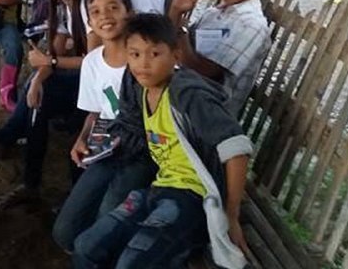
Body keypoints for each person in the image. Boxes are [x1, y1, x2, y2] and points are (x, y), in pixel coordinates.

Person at [72, 14, 252, 269]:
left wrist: (231, 216)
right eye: (135, 54)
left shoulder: (186, 93)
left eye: (154, 54)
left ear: (175, 56)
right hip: (160, 189)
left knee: (130, 264)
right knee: (85, 246)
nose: (143, 64)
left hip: (193, 200)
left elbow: (236, 146)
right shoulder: (142, 90)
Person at [52, 0, 156, 253]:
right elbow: (95, 111)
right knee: (64, 233)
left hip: (144, 148)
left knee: (104, 225)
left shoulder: (146, 59)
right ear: (89, 21)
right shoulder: (92, 62)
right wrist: (82, 139)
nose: (105, 16)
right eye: (95, 12)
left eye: (113, 8)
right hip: (109, 146)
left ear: (129, 12)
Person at [0, 0, 89, 203]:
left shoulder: (87, 6)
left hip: (102, 87)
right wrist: (37, 80)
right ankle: (31, 184)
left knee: (46, 96)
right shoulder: (63, 8)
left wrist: (49, 63)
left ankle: (72, 197)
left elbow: (94, 62)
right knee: (39, 96)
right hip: (84, 81)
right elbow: (54, 53)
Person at [168, 0, 271, 117]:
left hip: (203, 119)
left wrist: (180, 29)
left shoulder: (251, 25)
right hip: (178, 101)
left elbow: (202, 73)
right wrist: (176, 10)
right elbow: (171, 46)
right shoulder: (214, 13)